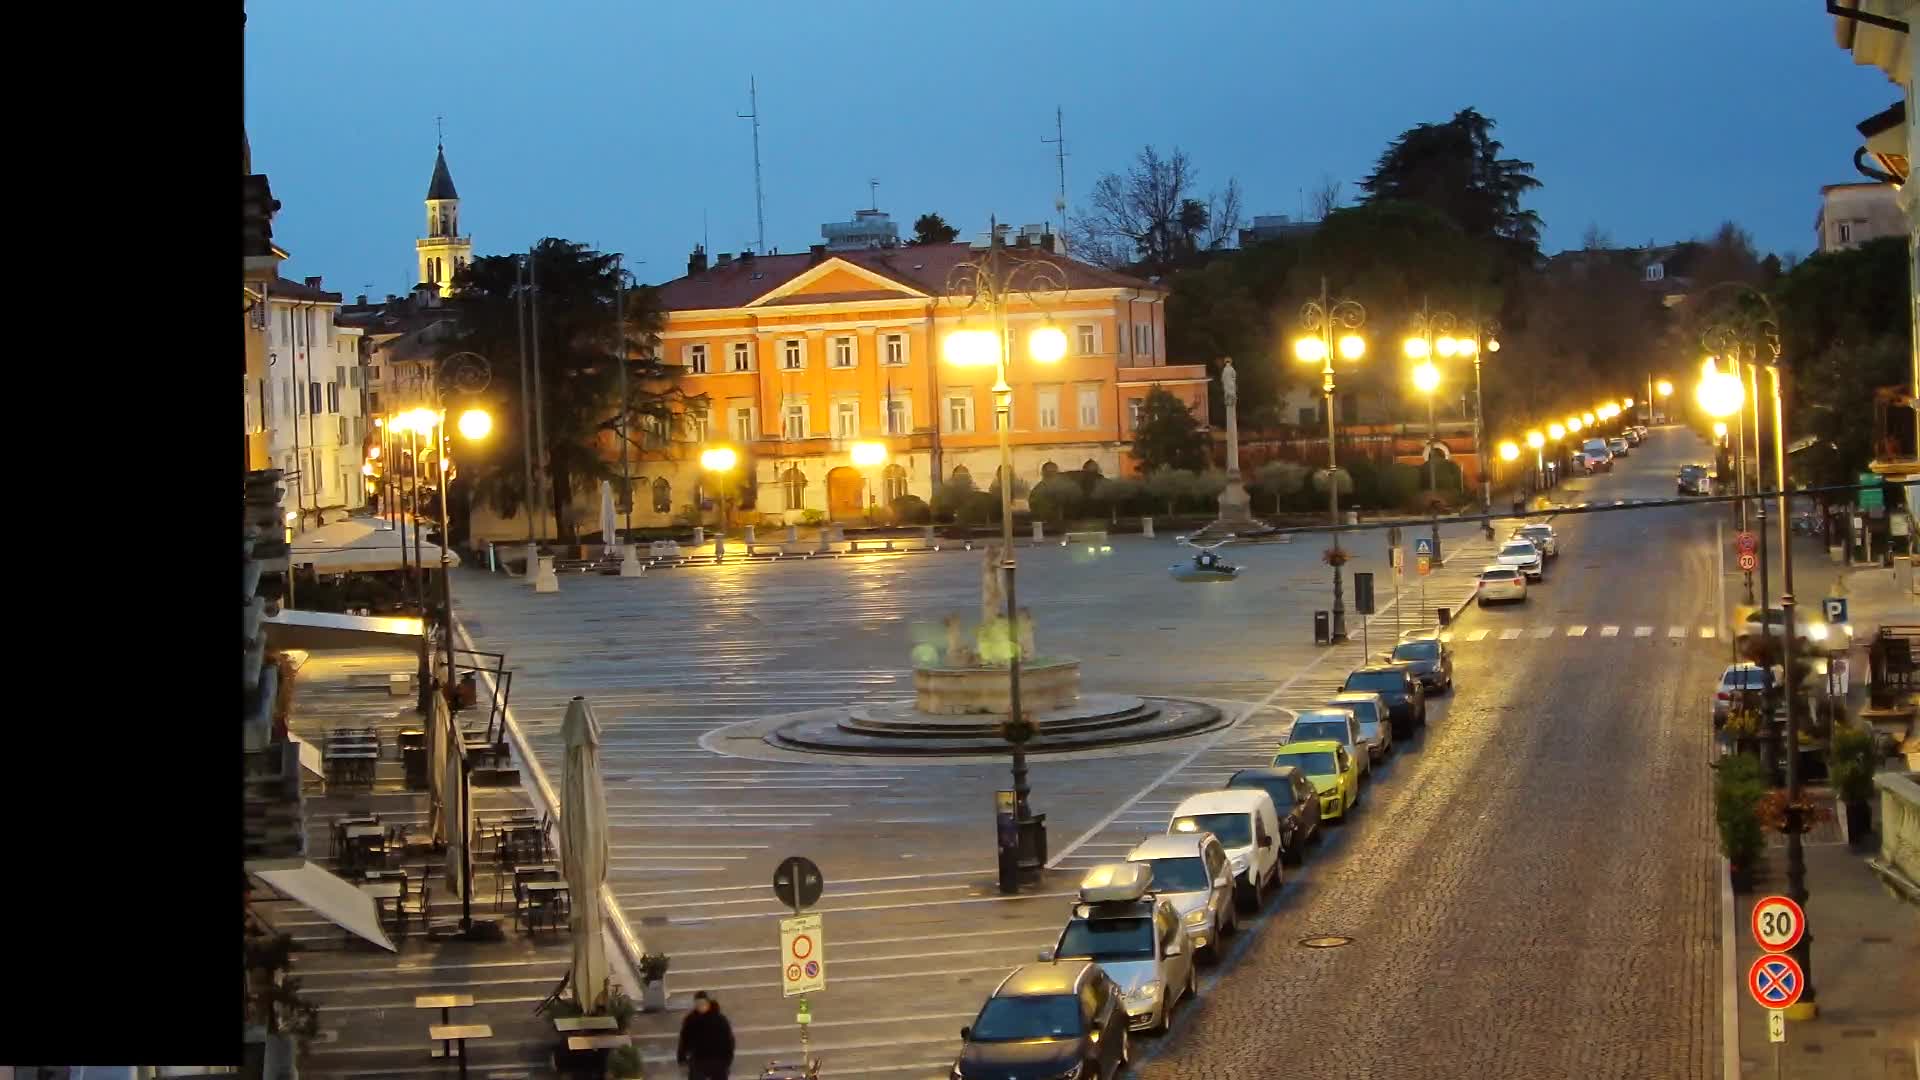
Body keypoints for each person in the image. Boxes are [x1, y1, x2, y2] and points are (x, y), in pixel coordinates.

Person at [677, 991, 735, 1080]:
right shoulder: (691, 1020)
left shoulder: (719, 1019)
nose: (700, 1006)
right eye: (698, 1004)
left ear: (708, 1003)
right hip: (698, 1059)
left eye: (703, 1003)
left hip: (717, 1059)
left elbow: (728, 1040)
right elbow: (684, 1039)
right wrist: (681, 1057)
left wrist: (727, 1060)